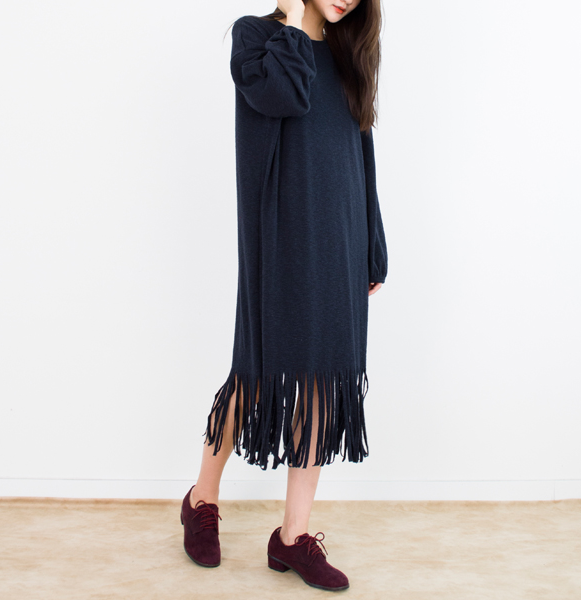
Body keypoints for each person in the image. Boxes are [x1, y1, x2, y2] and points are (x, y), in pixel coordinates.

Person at [180, 0, 387, 591]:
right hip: (279, 235)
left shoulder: (348, 55)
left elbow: (362, 152)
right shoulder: (256, 38)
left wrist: (372, 243)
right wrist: (294, 20)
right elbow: (283, 96)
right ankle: (201, 499)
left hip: (341, 235)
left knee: (325, 382)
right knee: (254, 375)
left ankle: (293, 537)